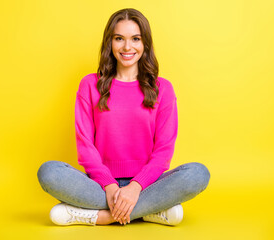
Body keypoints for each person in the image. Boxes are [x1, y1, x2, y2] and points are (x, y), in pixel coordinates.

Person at [37, 8, 210, 226]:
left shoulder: (163, 89)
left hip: (147, 185)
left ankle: (99, 216)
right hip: (100, 186)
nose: (127, 47)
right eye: (119, 38)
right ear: (110, 43)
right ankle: (148, 211)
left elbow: (164, 151)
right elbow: (85, 146)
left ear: (145, 43)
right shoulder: (90, 85)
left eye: (135, 39)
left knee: (197, 174)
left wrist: (135, 188)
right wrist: (110, 186)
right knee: (49, 172)